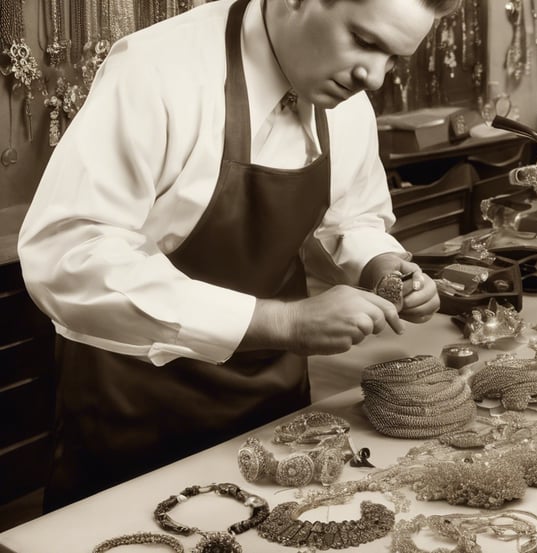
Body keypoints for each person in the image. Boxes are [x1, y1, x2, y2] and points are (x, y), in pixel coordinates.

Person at [18, 0, 456, 511]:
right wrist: (282, 322)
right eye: (365, 41)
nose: (375, 78)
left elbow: (354, 217)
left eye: (395, 59)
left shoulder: (346, 98)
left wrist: (381, 264)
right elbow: (67, 255)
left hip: (272, 401)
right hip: (136, 402)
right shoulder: (157, 71)